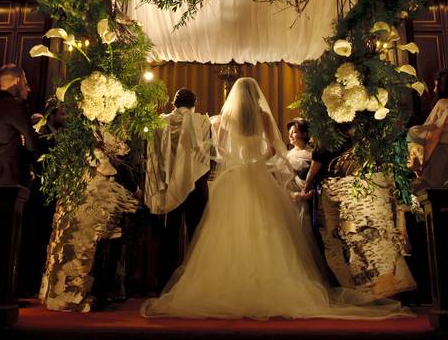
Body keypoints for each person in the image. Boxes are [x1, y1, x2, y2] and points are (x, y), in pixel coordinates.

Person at [141, 77, 407, 320]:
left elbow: (217, 150)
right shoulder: (262, 117)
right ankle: (268, 284)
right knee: (266, 230)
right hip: (257, 175)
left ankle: (229, 286)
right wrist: (257, 160)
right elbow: (274, 150)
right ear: (255, 96)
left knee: (226, 232)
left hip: (232, 178)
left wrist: (237, 160)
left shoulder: (223, 119)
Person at [144, 88, 213, 289]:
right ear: (195, 103)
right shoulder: (201, 121)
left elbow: (153, 154)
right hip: (196, 184)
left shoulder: (160, 122)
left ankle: (163, 284)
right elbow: (208, 152)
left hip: (167, 185)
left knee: (168, 238)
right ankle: (198, 284)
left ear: (174, 103)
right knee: (197, 236)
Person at [0, 64, 37, 186]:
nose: (27, 87)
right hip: (7, 181)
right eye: (25, 82)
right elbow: (31, 141)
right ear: (18, 80)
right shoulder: (13, 106)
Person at [285, 118, 314, 229]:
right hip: (295, 199)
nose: (291, 135)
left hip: (312, 198)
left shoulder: (312, 154)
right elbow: (285, 181)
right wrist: (294, 195)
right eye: (289, 133)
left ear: (304, 133)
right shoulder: (288, 156)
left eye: (294, 132)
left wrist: (310, 193)